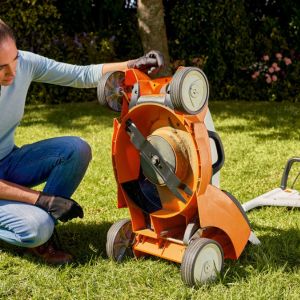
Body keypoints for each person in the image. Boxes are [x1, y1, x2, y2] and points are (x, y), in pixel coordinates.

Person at [0, 19, 164, 265]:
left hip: (8, 162)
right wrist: (41, 199)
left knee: (76, 150)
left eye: (14, 60)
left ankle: (39, 218)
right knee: (37, 227)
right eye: (1, 67)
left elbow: (81, 74)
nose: (13, 73)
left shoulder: (24, 63)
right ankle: (41, 227)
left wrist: (131, 65)